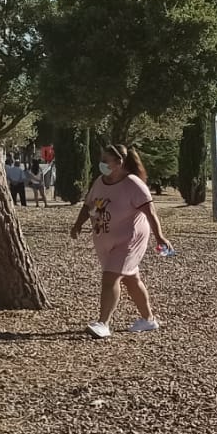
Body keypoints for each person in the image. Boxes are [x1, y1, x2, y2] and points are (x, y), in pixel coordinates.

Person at [70, 143, 170, 338]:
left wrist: (160, 236)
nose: (101, 164)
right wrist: (77, 224)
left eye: (105, 161)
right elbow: (88, 204)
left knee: (110, 278)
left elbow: (150, 212)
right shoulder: (100, 181)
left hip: (130, 240)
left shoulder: (133, 184)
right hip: (105, 238)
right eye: (101, 160)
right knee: (131, 280)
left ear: (119, 162)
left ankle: (103, 323)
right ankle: (148, 320)